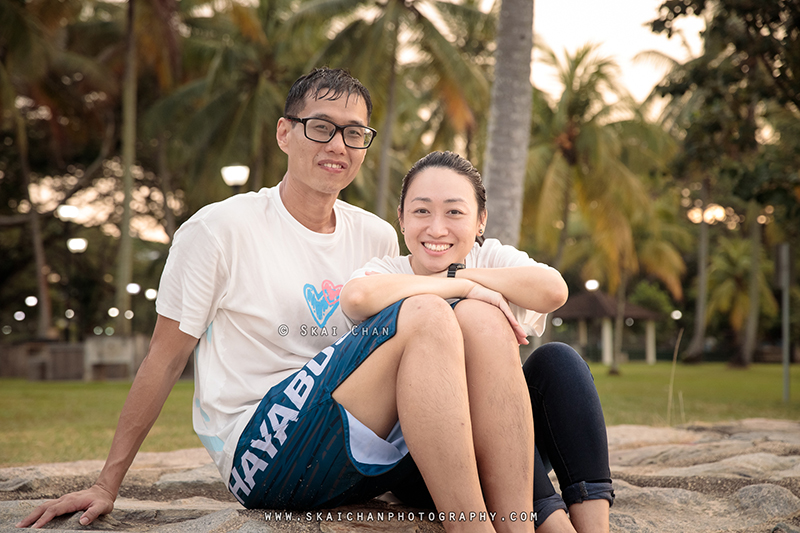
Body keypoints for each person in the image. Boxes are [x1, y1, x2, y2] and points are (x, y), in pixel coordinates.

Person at [339, 151, 614, 532]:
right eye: (421, 212)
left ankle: (593, 526)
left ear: (480, 220)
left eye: (454, 212)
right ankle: (550, 520)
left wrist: (466, 273)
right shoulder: (390, 271)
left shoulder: (490, 257)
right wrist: (463, 288)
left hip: (509, 452)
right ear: (401, 219)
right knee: (475, 316)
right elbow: (356, 298)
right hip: (429, 464)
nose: (437, 229)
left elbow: (553, 290)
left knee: (559, 361)